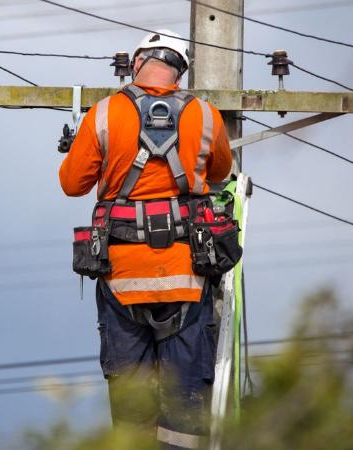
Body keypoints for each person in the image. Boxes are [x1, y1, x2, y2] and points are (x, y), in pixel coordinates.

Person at [58, 30, 233, 449]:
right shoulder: (206, 115)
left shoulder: (103, 114)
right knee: (186, 404)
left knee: (133, 404)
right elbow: (221, 172)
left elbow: (71, 184)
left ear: (137, 64)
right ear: (179, 71)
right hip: (186, 278)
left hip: (122, 280)